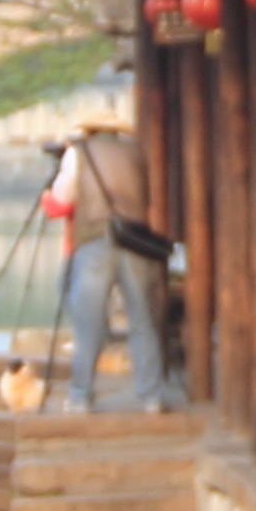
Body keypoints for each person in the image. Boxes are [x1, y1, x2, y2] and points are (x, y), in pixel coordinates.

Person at [53, 116, 175, 412]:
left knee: (88, 322)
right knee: (142, 319)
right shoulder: (135, 151)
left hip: (96, 238)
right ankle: (152, 396)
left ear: (89, 130)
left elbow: (61, 197)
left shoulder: (78, 152)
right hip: (134, 240)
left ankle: (81, 396)